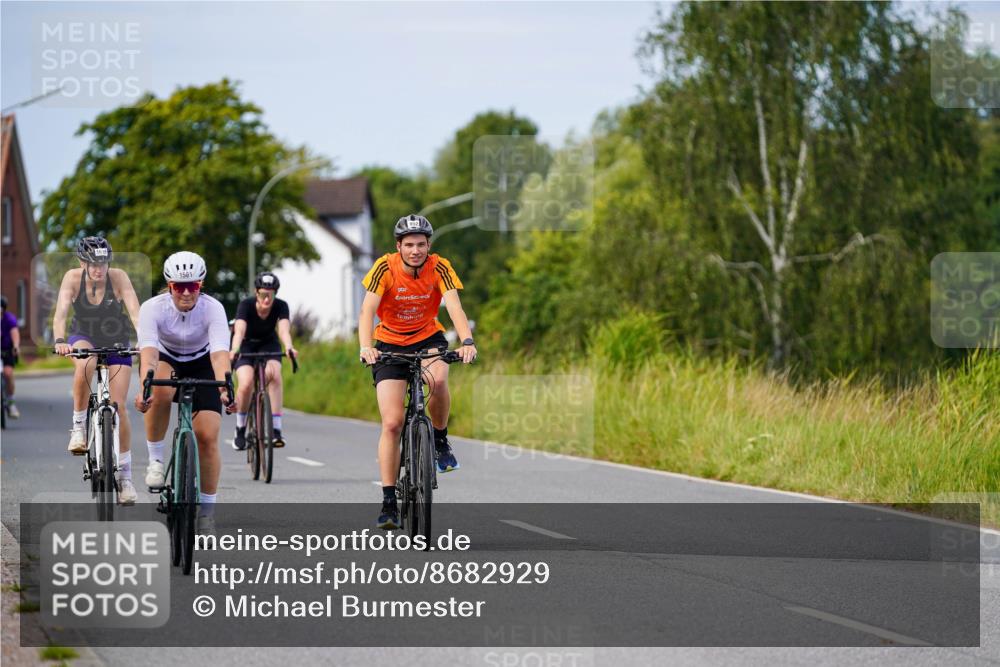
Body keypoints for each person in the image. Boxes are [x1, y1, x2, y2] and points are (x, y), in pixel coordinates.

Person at [359, 214, 477, 530]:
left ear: (428, 245)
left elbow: (454, 306)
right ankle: (388, 502)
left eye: (421, 244)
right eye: (409, 245)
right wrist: (365, 346)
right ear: (398, 246)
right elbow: (367, 310)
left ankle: (439, 439)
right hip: (389, 343)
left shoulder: (440, 267)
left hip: (428, 338)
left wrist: (466, 340)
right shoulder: (384, 267)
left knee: (438, 379)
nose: (415, 250)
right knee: (393, 422)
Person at [135, 251, 234, 536]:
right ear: (169, 286)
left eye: (193, 286)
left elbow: (219, 356)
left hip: (203, 362)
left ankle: (207, 514)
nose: (187, 293)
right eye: (180, 286)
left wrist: (226, 388)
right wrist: (145, 387)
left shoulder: (213, 308)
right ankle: (155, 460)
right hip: (167, 358)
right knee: (160, 389)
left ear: (201, 284)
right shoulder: (153, 308)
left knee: (207, 436)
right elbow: (150, 356)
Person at [52, 237, 142, 504]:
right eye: (93, 264)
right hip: (84, 335)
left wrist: (145, 340)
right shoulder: (71, 279)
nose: (99, 269)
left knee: (119, 407)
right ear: (82, 262)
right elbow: (60, 315)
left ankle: (125, 477)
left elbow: (136, 314)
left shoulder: (119, 278)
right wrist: (59, 341)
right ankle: (79, 427)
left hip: (117, 337)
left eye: (103, 263)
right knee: (86, 362)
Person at [229, 271, 297, 450]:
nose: (267, 300)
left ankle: (276, 431)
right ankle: (241, 427)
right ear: (256, 292)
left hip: (269, 344)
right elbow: (239, 331)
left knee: (274, 375)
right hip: (246, 345)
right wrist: (234, 350)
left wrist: (289, 347)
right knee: (246, 383)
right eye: (263, 295)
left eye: (271, 295)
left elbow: (283, 331)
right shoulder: (246, 305)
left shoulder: (281, 306)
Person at [1, 296, 20, 420]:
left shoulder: (9, 319)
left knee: (8, 374)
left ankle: (11, 402)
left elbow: (15, 334)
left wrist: (16, 346)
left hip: (7, 351)